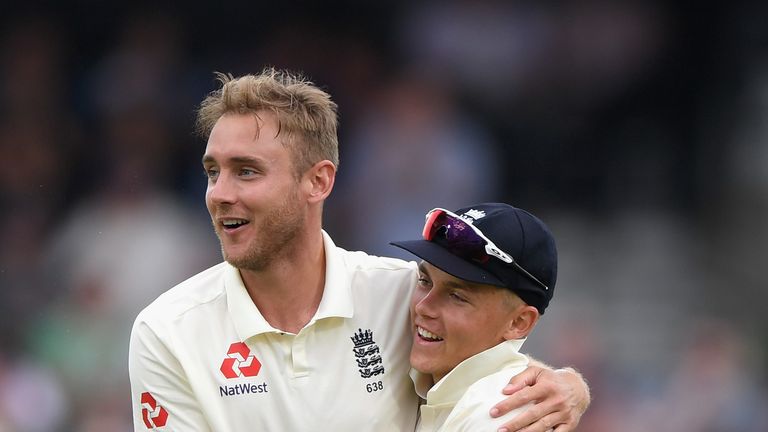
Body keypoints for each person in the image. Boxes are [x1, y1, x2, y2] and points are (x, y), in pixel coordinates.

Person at [128, 68, 589, 431]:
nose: (219, 193)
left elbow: (489, 354)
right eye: (213, 172)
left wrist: (569, 386)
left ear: (319, 181)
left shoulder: (402, 293)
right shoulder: (168, 331)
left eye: (246, 171)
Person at [391, 203, 562, 431]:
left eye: (456, 296)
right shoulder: (443, 388)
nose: (424, 307)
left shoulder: (500, 418)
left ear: (518, 323)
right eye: (425, 281)